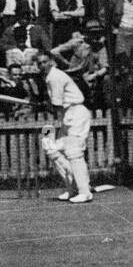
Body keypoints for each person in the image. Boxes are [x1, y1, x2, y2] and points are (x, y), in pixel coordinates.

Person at [35, 48, 95, 202]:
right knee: (51, 149)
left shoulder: (55, 77)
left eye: (45, 62)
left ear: (52, 62)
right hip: (68, 115)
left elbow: (57, 107)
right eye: (39, 63)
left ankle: (84, 191)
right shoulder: (47, 78)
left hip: (76, 114)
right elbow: (54, 105)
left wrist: (45, 107)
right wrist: (44, 104)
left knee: (74, 152)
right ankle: (73, 189)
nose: (42, 65)